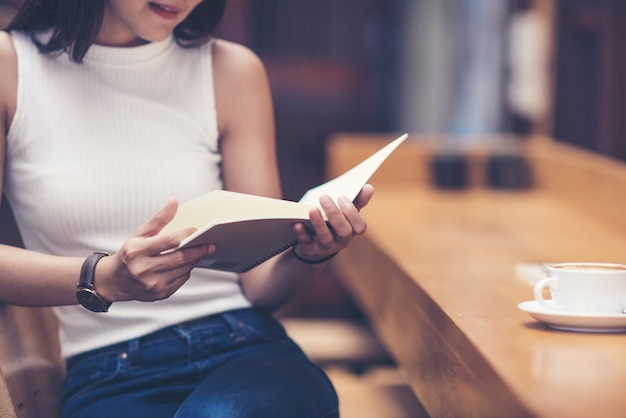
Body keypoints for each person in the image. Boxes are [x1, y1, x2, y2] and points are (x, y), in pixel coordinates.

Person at [0, 1, 374, 417]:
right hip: (108, 376)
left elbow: (265, 289)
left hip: (245, 350)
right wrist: (103, 279)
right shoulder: (11, 67)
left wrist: (309, 254)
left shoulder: (230, 70)